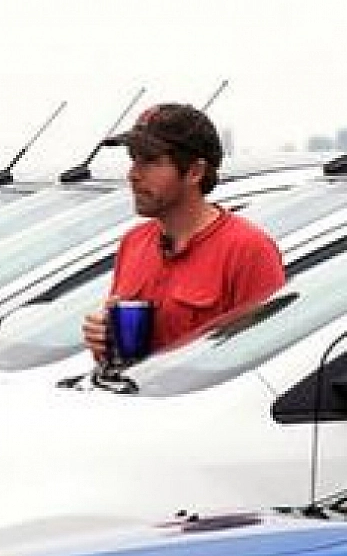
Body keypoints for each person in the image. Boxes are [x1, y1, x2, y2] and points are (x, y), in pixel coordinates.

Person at [81, 102, 285, 363]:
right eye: (134, 160)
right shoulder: (133, 243)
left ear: (194, 172)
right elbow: (122, 347)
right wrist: (103, 338)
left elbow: (267, 356)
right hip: (134, 397)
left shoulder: (247, 249)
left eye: (150, 161)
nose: (133, 174)